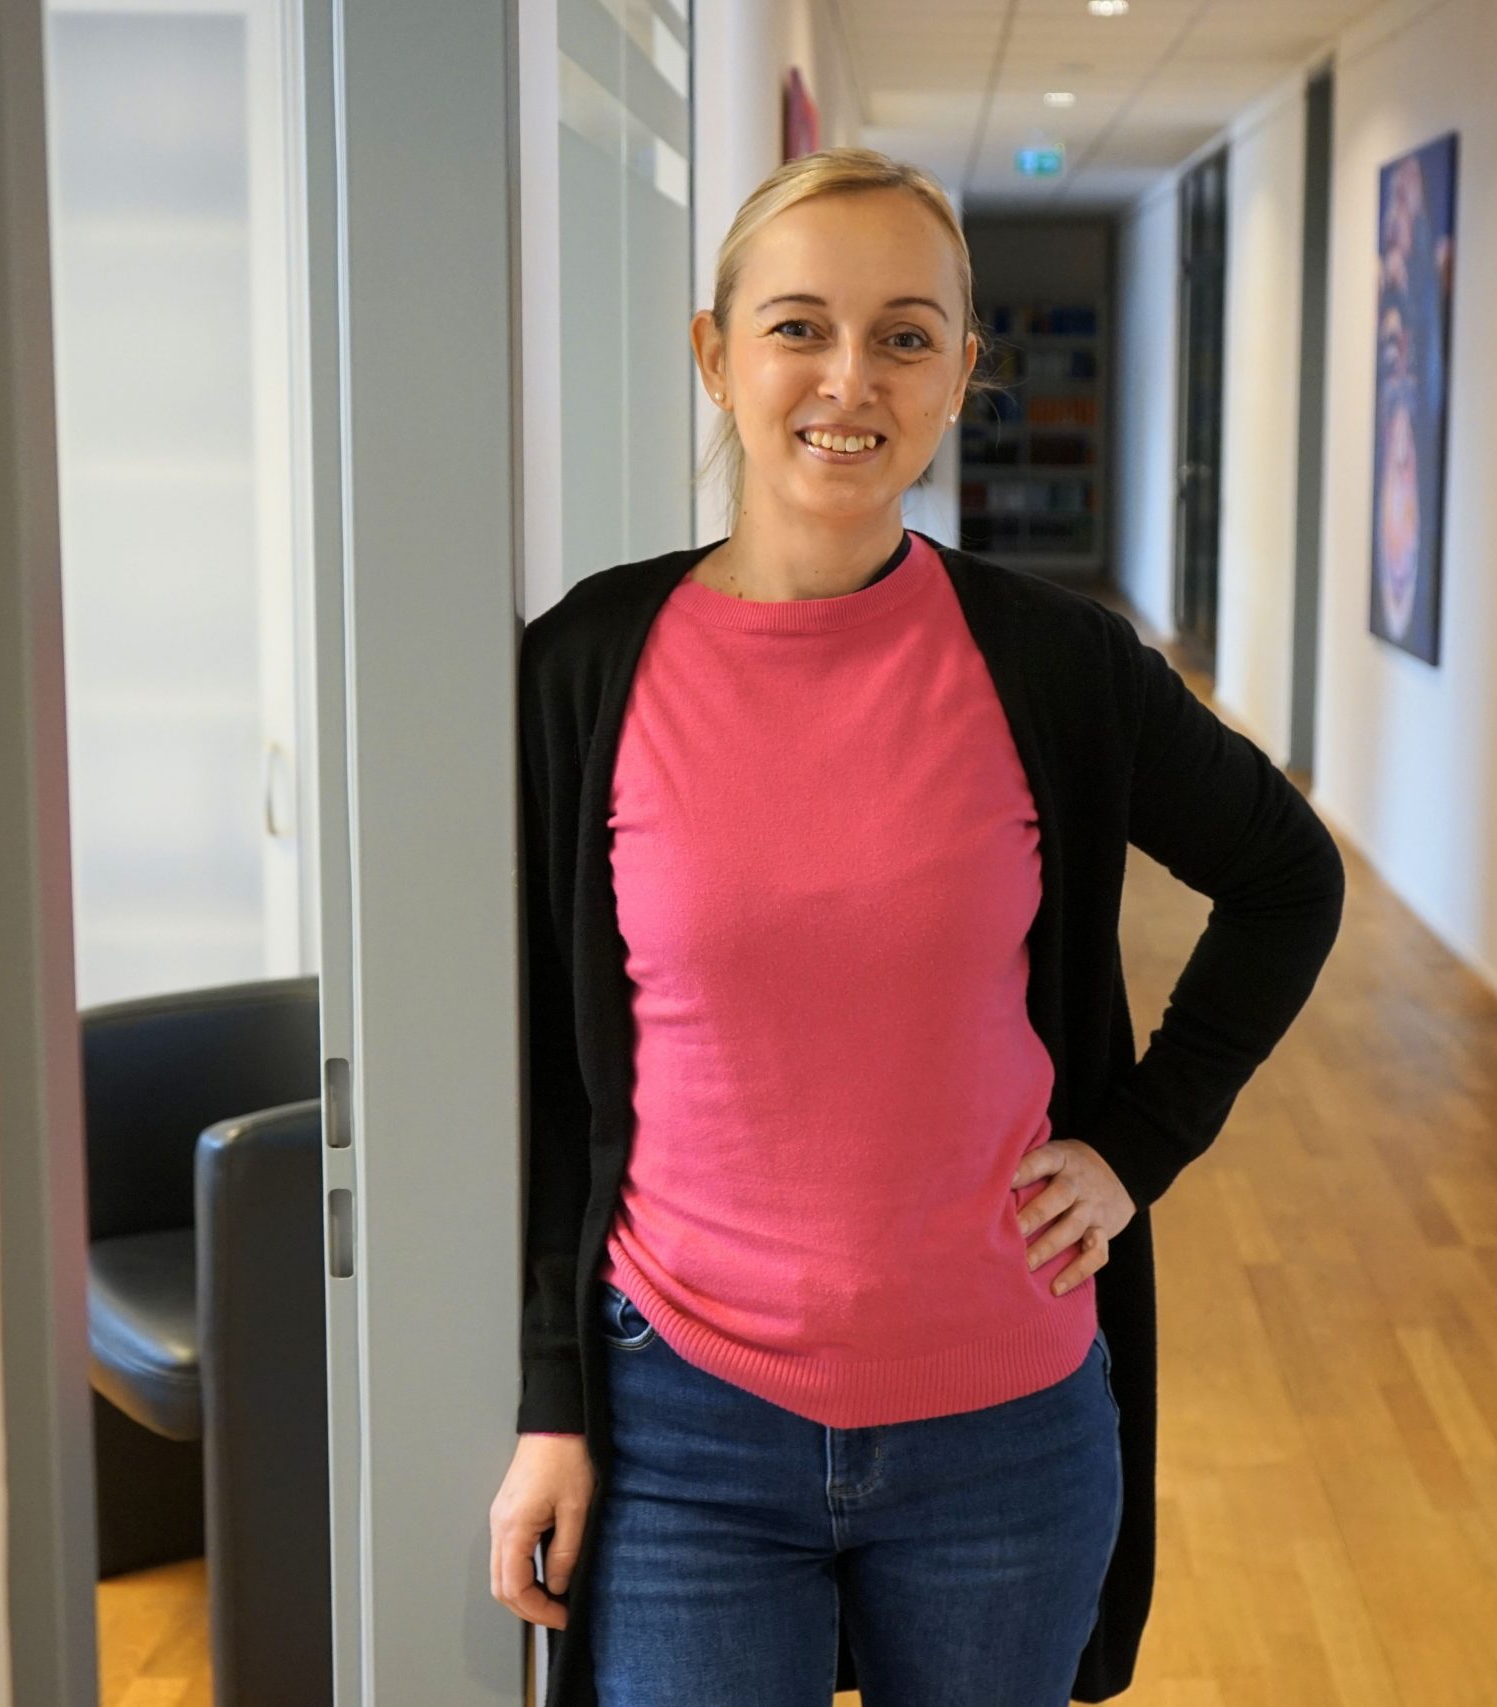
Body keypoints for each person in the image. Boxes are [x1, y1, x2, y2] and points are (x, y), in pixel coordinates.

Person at [486, 145, 1344, 1707]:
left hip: (1002, 1436)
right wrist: (551, 1402)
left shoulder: (1055, 666)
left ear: (960, 373)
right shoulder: (587, 669)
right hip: (679, 1431)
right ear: (716, 357)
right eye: (798, 327)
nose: (849, 379)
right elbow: (541, 1071)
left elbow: (1290, 878)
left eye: (904, 335)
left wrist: (1138, 1146)